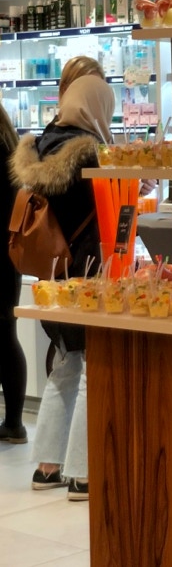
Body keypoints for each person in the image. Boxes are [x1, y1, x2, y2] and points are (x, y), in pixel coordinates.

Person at [9, 56, 112, 502]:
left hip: (49, 273)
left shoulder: (42, 144)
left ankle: (47, 466)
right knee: (91, 366)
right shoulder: (88, 152)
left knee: (66, 363)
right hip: (84, 270)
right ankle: (84, 473)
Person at [0, 105, 27, 444]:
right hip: (10, 255)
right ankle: (15, 423)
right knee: (6, 336)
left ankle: (14, 424)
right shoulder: (10, 144)